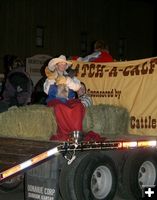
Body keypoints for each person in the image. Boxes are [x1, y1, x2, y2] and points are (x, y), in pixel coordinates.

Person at [43, 55, 86, 141]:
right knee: (60, 107)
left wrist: (69, 82)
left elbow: (81, 90)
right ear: (56, 65)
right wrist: (54, 81)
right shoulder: (50, 77)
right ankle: (66, 134)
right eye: (60, 64)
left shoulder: (71, 77)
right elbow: (47, 91)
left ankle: (76, 133)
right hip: (56, 100)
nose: (62, 66)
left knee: (78, 106)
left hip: (69, 101)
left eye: (64, 64)